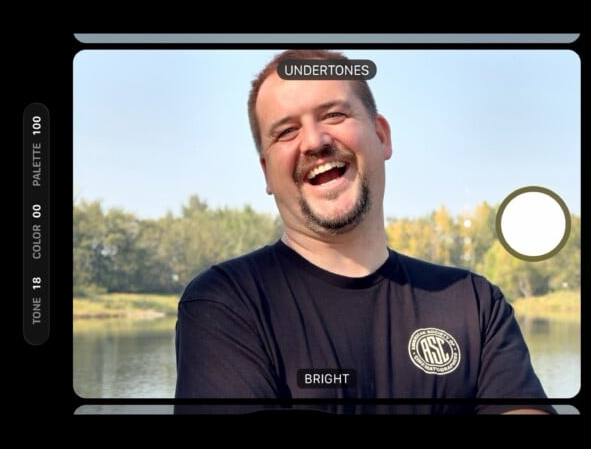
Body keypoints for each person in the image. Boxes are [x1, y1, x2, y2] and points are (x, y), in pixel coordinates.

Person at [175, 49, 551, 414]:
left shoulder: (475, 304)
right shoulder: (225, 304)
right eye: (287, 131)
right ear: (266, 173)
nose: (315, 141)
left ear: (382, 136)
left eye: (334, 114)